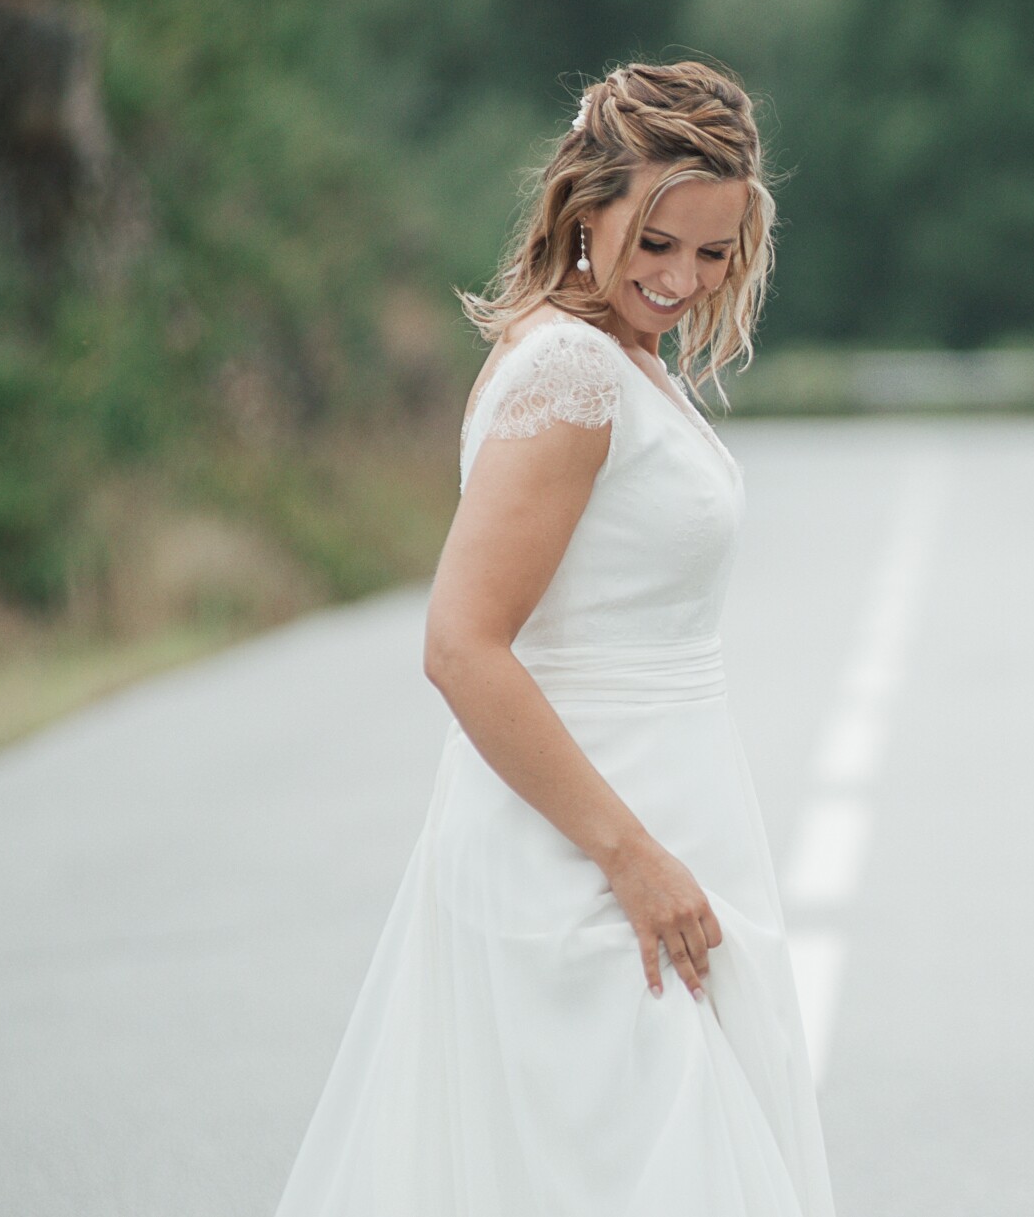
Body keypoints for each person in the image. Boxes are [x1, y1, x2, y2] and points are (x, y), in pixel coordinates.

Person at [274, 61, 836, 1214]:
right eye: (656, 243)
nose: (681, 280)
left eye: (714, 252)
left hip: (664, 815)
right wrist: (629, 861)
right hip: (582, 852)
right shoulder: (574, 371)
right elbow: (461, 646)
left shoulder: (622, 359)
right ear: (586, 215)